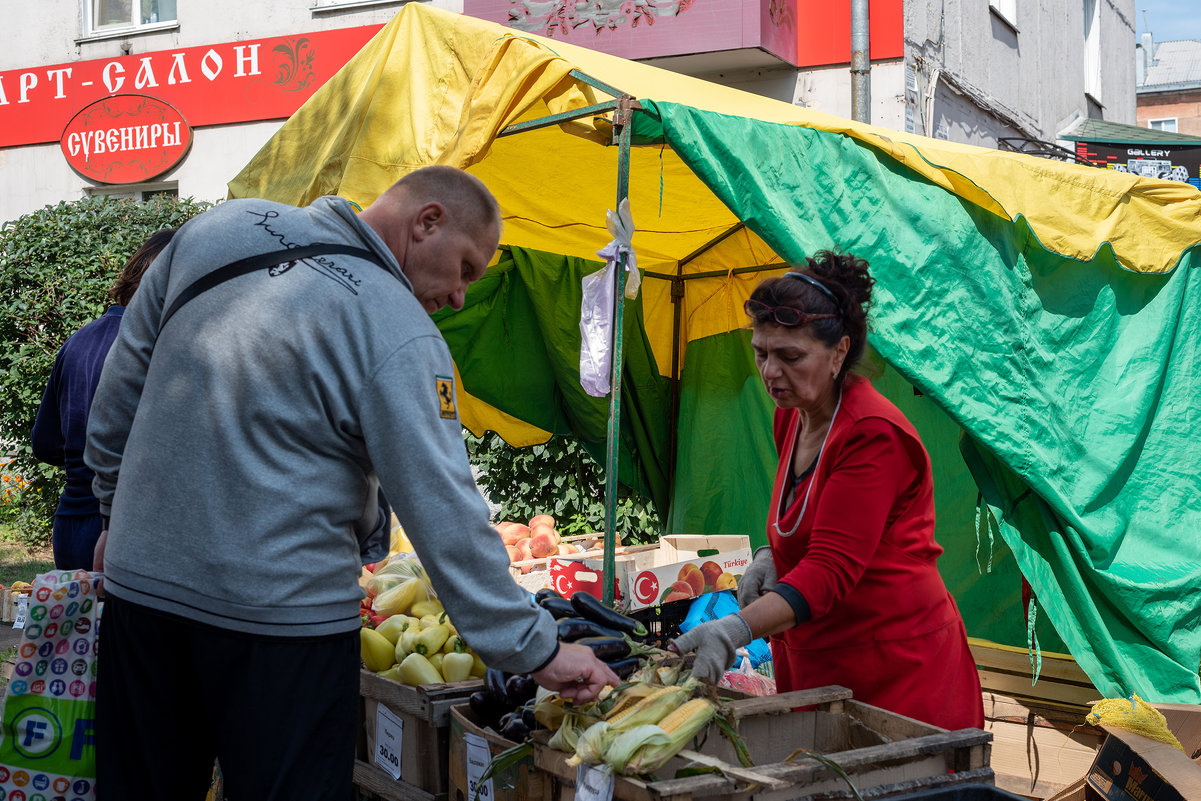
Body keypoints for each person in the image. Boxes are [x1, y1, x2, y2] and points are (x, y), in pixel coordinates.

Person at [84, 166, 620, 800]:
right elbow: (444, 509)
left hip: (142, 603)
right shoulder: (399, 332)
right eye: (467, 268)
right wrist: (536, 651)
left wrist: (118, 517)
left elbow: (118, 397)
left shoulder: (218, 230)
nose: (459, 297)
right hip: (284, 633)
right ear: (428, 221)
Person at [672, 251, 984, 731]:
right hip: (822, 663)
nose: (771, 372)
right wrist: (771, 555)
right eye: (762, 353)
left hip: (896, 672)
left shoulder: (873, 433)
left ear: (839, 352)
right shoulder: (792, 415)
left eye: (790, 356)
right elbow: (811, 516)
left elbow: (832, 567)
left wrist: (737, 628)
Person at [31, 229, 176, 569]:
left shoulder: (77, 341)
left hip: (72, 523)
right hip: (129, 528)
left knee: (79, 624)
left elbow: (45, 444)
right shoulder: (159, 347)